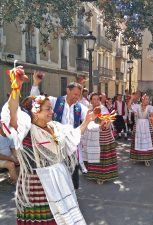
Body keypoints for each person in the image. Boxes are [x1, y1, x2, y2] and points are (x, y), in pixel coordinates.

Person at [1, 66, 96, 224]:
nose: (52, 112)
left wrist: (87, 121)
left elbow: (73, 134)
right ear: (35, 112)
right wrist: (15, 87)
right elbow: (12, 114)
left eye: (51, 109)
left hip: (58, 181)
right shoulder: (26, 129)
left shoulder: (55, 127)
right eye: (48, 109)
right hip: (37, 184)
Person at [30, 72, 88, 189]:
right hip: (54, 144)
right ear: (68, 90)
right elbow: (36, 101)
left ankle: (71, 196)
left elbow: (89, 119)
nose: (77, 97)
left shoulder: (80, 107)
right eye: (75, 94)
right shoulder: (54, 101)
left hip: (71, 145)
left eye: (79, 95)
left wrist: (101, 123)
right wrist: (36, 84)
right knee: (56, 173)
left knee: (72, 173)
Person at [82, 93, 118, 184]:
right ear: (91, 101)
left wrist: (104, 124)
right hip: (91, 134)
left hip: (103, 135)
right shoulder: (88, 110)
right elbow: (86, 122)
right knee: (92, 152)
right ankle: (92, 173)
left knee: (102, 154)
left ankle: (102, 175)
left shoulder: (103, 109)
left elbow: (107, 121)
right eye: (94, 99)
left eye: (97, 99)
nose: (96, 101)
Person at [128, 94, 153, 167]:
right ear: (142, 99)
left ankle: (146, 159)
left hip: (147, 127)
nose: (147, 100)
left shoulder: (150, 108)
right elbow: (129, 107)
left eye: (148, 99)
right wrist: (131, 99)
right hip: (138, 126)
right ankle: (136, 157)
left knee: (147, 142)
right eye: (146, 99)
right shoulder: (137, 106)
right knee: (137, 142)